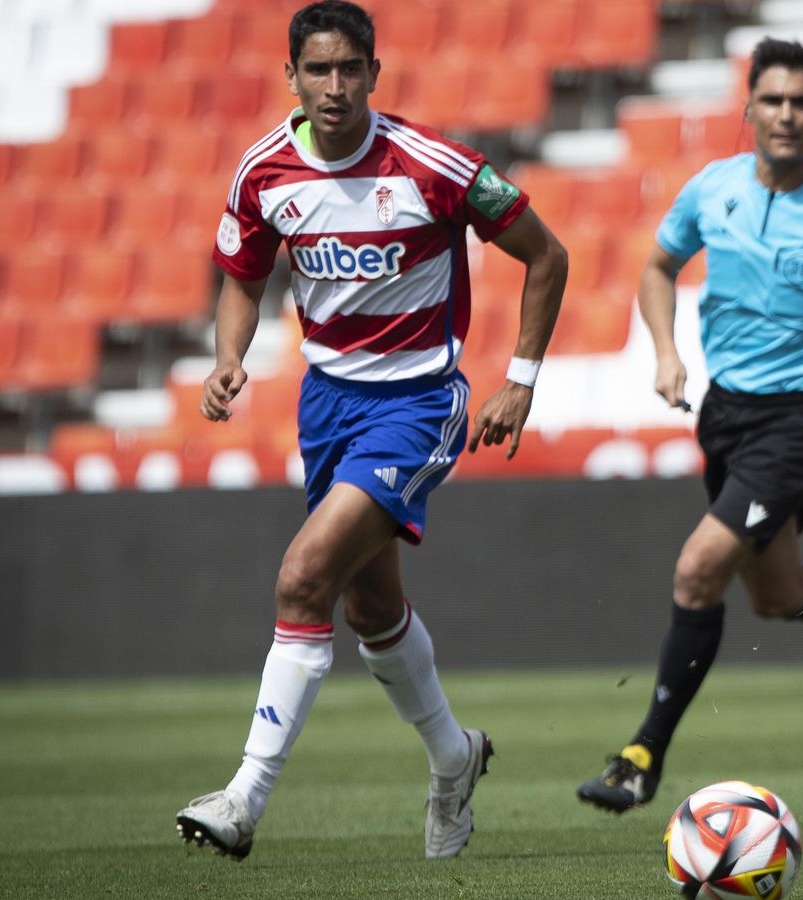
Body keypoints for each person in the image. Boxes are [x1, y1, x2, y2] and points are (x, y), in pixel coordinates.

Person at [175, 0, 568, 862]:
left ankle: (245, 796)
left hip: (418, 403)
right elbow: (242, 275)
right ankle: (455, 758)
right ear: (291, 77)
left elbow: (548, 254)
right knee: (371, 606)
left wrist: (520, 380)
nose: (335, 86)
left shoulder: (434, 165)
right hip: (327, 407)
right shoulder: (263, 173)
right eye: (318, 69)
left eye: (350, 69)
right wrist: (228, 357)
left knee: (302, 579)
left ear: (375, 75)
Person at [577, 38, 803, 815]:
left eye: (801, 102)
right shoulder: (713, 190)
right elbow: (657, 266)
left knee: (697, 570)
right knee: (779, 595)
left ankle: (642, 756)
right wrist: (666, 351)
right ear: (748, 109)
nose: (786, 114)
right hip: (726, 416)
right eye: (772, 99)